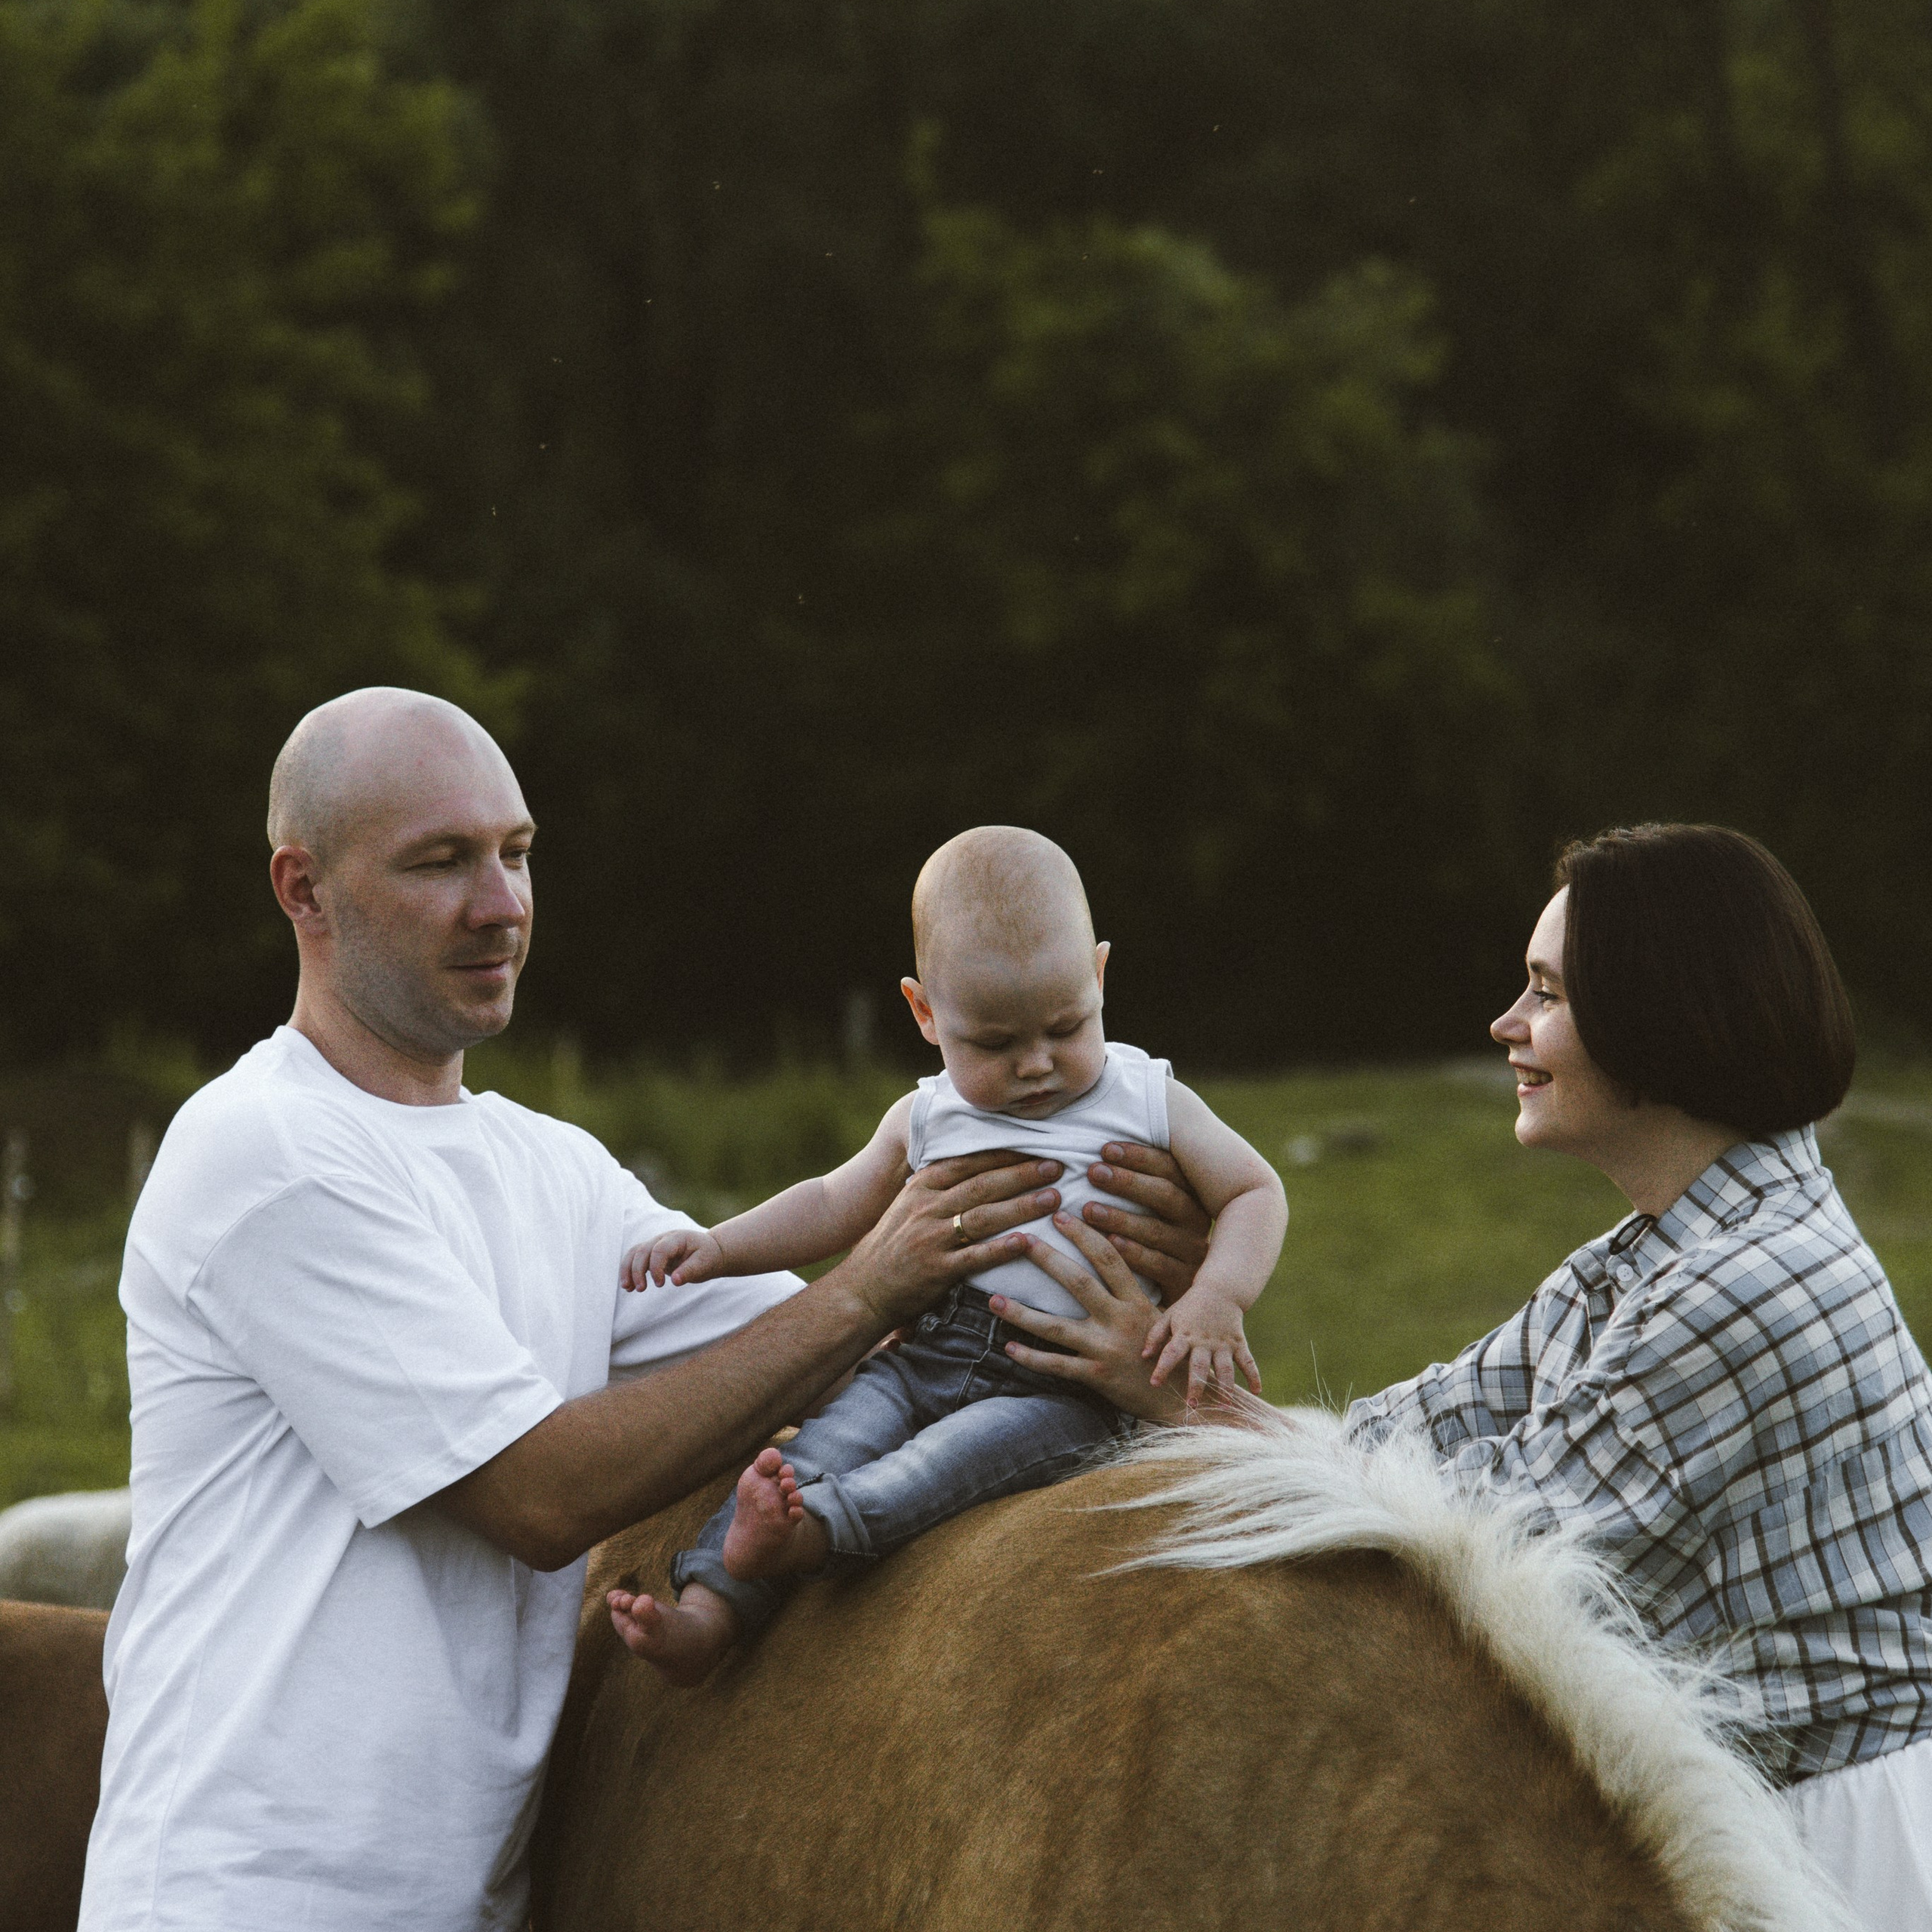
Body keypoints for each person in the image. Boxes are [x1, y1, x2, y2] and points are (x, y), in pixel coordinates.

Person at [77, 691, 1211, 1932]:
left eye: (516, 853)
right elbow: (539, 1495)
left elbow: (857, 1363)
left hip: (465, 1906)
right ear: (304, 889)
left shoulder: (549, 1168)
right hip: (243, 1900)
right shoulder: (269, 1152)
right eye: (440, 862)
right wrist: (877, 1276)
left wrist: (1112, 1272)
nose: (501, 904)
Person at [992, 823, 1932, 1930]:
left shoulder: (1751, 1289)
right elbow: (1418, 1434)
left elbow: (1472, 1547)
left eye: (1547, 993)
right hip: (1782, 1821)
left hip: (1856, 1850)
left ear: (1660, 1015)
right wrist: (1176, 1371)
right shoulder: (1656, 1257)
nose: (1506, 1025)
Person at [607, 827, 1287, 1683]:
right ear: (925, 1013)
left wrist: (1217, 1295)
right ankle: (707, 1611)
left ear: (1101, 976)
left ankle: (822, 1530)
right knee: (808, 1449)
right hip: (923, 1350)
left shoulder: (1147, 1097)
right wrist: (718, 1244)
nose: (1036, 1064)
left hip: (1065, 1381)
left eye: (1066, 1025)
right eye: (994, 1044)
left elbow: (1255, 1191)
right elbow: (828, 1202)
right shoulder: (927, 1115)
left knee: (937, 1467)